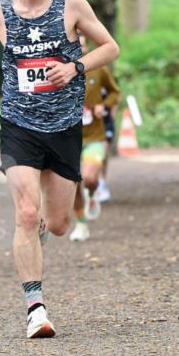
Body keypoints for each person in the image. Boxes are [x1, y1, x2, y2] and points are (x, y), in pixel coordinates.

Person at [0, 0, 119, 339]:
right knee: (26, 213)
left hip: (65, 128)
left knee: (58, 223)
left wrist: (75, 67)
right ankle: (35, 307)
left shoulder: (71, 4)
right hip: (18, 127)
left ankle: (43, 233)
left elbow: (110, 47)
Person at [69, 42, 121, 242]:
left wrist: (103, 106)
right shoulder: (58, 67)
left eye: (83, 45)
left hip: (94, 137)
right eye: (76, 44)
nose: (80, 48)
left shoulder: (99, 69)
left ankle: (91, 194)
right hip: (68, 138)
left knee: (89, 179)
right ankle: (81, 224)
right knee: (73, 183)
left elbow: (115, 92)